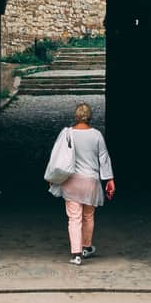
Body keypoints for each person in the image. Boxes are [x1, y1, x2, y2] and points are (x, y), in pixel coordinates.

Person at [47, 101, 115, 265]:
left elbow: (57, 156)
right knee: (88, 216)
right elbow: (104, 159)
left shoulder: (68, 134)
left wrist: (52, 178)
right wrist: (109, 180)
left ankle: (76, 254)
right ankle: (86, 247)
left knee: (74, 218)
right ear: (90, 117)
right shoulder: (97, 135)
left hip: (71, 182)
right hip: (90, 182)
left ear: (76, 116)